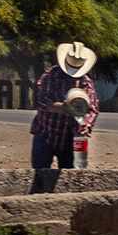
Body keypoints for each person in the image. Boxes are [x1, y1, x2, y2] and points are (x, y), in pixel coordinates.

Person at [30, 41, 99, 169]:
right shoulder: (50, 76)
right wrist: (60, 107)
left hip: (70, 139)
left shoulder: (86, 84)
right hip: (45, 134)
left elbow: (93, 109)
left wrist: (86, 125)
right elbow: (40, 101)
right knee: (40, 175)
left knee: (70, 178)